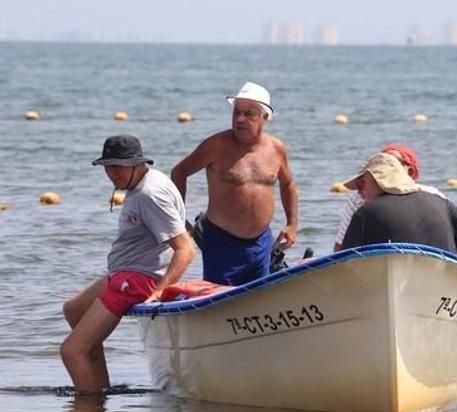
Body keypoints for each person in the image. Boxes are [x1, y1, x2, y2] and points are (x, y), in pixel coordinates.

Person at [61, 135, 195, 393]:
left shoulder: (149, 194)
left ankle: (90, 411)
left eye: (119, 167)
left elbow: (186, 249)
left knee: (71, 351)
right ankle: (100, 388)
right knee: (73, 310)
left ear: (137, 164)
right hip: (126, 272)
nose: (113, 174)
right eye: (108, 167)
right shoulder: (146, 182)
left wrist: (159, 291)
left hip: (138, 279)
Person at [171, 81, 299, 286]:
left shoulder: (276, 149)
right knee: (220, 302)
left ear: (265, 117)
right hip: (221, 243)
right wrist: (179, 219)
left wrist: (292, 225)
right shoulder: (215, 146)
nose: (240, 119)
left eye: (249, 114)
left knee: (260, 299)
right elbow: (179, 172)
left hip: (261, 243)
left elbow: (288, 184)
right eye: (236, 112)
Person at [339, 153, 457, 270]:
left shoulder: (365, 212)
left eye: (361, 184)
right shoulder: (440, 203)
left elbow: (343, 264)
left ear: (378, 180)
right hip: (444, 288)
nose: (358, 191)